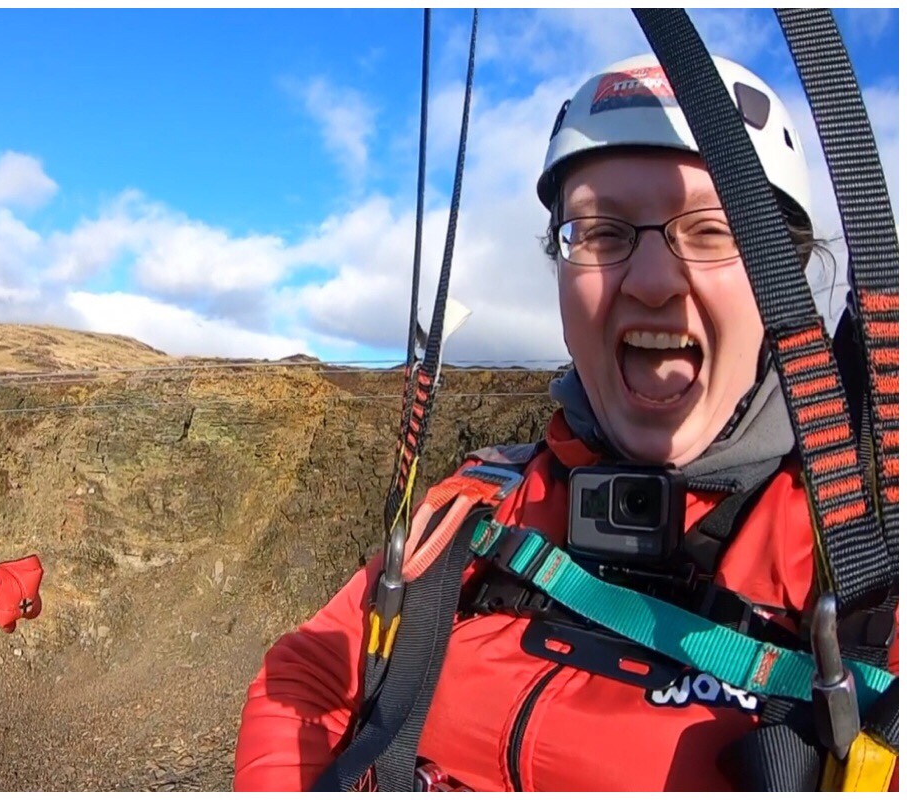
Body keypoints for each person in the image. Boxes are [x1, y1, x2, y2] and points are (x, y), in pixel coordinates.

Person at [233, 54, 898, 791]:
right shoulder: (481, 507)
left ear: (787, 274)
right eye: (601, 232)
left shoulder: (867, 576)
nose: (651, 283)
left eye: (712, 231)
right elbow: (310, 671)